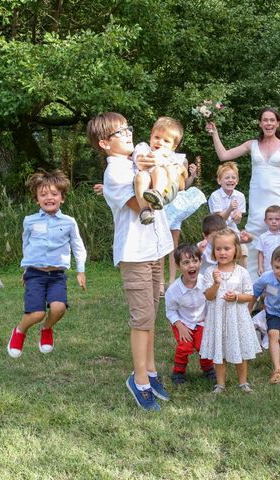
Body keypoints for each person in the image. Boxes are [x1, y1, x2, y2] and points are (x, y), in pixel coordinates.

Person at [87, 112, 174, 411]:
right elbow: (142, 205)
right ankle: (139, 382)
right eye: (119, 132)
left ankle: (150, 371)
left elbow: (153, 154)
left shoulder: (135, 157)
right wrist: (156, 172)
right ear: (104, 143)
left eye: (127, 129)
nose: (128, 134)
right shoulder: (115, 174)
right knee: (142, 319)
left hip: (154, 249)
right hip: (135, 253)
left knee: (151, 314)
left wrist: (160, 165)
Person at [206, 107, 280, 279]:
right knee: (254, 235)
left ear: (278, 123)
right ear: (260, 123)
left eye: (272, 120)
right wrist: (214, 133)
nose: (268, 123)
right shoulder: (252, 145)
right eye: (265, 120)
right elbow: (223, 155)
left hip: (278, 196)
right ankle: (252, 286)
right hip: (257, 197)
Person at [7, 170, 87, 359]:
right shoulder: (29, 221)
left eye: (53, 194)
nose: (48, 198)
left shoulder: (69, 222)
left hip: (57, 275)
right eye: (43, 194)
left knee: (58, 308)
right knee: (36, 313)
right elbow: (27, 245)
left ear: (62, 198)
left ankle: (46, 328)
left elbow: (78, 247)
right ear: (37, 199)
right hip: (35, 274)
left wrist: (80, 271)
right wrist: (26, 268)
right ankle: (19, 331)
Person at [199, 228, 262, 394]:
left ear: (236, 250)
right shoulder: (210, 272)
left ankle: (243, 382)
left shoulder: (241, 272)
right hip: (218, 318)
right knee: (220, 350)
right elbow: (209, 296)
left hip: (237, 318)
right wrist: (216, 283)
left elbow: (249, 296)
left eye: (227, 249)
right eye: (218, 249)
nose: (222, 252)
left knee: (239, 350)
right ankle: (220, 384)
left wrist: (235, 297)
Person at [164, 243, 215, 384]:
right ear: (178, 266)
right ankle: (178, 372)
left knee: (204, 345)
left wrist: (209, 322)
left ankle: (208, 368)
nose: (191, 265)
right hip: (183, 322)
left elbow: (211, 301)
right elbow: (171, 311)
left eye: (195, 261)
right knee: (184, 347)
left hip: (201, 321)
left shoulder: (206, 282)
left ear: (200, 262)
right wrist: (179, 326)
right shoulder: (173, 290)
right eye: (186, 263)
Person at [249, 245, 280, 384]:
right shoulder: (266, 278)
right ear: (271, 265)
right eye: (277, 267)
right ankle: (277, 369)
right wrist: (248, 311)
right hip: (273, 310)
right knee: (273, 334)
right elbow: (254, 293)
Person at [132, 117, 189, 225]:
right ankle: (146, 211)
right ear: (151, 137)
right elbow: (141, 163)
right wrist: (156, 156)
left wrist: (165, 162)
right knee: (141, 176)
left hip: (166, 190)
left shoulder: (172, 156)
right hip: (143, 189)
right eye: (157, 137)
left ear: (173, 146)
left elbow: (181, 176)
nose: (160, 142)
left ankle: (156, 194)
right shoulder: (143, 147)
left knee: (158, 170)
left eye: (166, 141)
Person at [163, 160, 207, 289]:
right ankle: (160, 282)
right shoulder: (156, 157)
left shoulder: (182, 160)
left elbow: (183, 186)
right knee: (159, 244)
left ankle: (171, 280)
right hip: (162, 202)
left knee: (173, 244)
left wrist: (192, 176)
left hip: (177, 205)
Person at [207, 161, 251, 267]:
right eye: (227, 178)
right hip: (217, 230)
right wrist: (230, 209)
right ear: (219, 181)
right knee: (223, 252)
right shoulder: (215, 196)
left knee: (244, 251)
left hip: (233, 229)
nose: (230, 180)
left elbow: (237, 221)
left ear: (237, 180)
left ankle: (242, 276)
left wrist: (238, 215)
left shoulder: (240, 196)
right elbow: (218, 220)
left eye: (233, 177)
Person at [255, 205, 280, 276]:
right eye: (270, 219)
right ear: (265, 221)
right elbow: (260, 253)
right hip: (268, 269)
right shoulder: (263, 237)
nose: (273, 221)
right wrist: (260, 267)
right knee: (269, 286)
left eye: (277, 219)